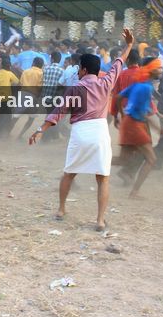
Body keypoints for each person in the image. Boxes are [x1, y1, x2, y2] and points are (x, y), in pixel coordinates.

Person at [29, 28, 135, 232]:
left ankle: (61, 210)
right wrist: (129, 45)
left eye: (79, 69)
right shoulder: (106, 82)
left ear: (84, 70)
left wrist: (41, 129)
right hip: (99, 132)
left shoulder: (75, 88)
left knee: (69, 173)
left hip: (80, 132)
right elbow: (118, 63)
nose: (77, 72)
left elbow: (58, 111)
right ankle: (100, 220)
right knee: (103, 178)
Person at [118, 57, 163, 198]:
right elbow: (142, 113)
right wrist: (161, 131)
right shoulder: (146, 87)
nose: (161, 70)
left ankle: (86, 163)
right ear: (151, 69)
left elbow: (119, 97)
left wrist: (121, 115)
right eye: (159, 67)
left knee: (123, 159)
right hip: (135, 123)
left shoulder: (140, 83)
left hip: (130, 121)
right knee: (151, 159)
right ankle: (134, 192)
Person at [0, 57, 20, 140]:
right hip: (7, 98)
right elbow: (18, 82)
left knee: (6, 116)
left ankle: (5, 134)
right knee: (5, 117)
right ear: (9, 66)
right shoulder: (9, 73)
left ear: (2, 65)